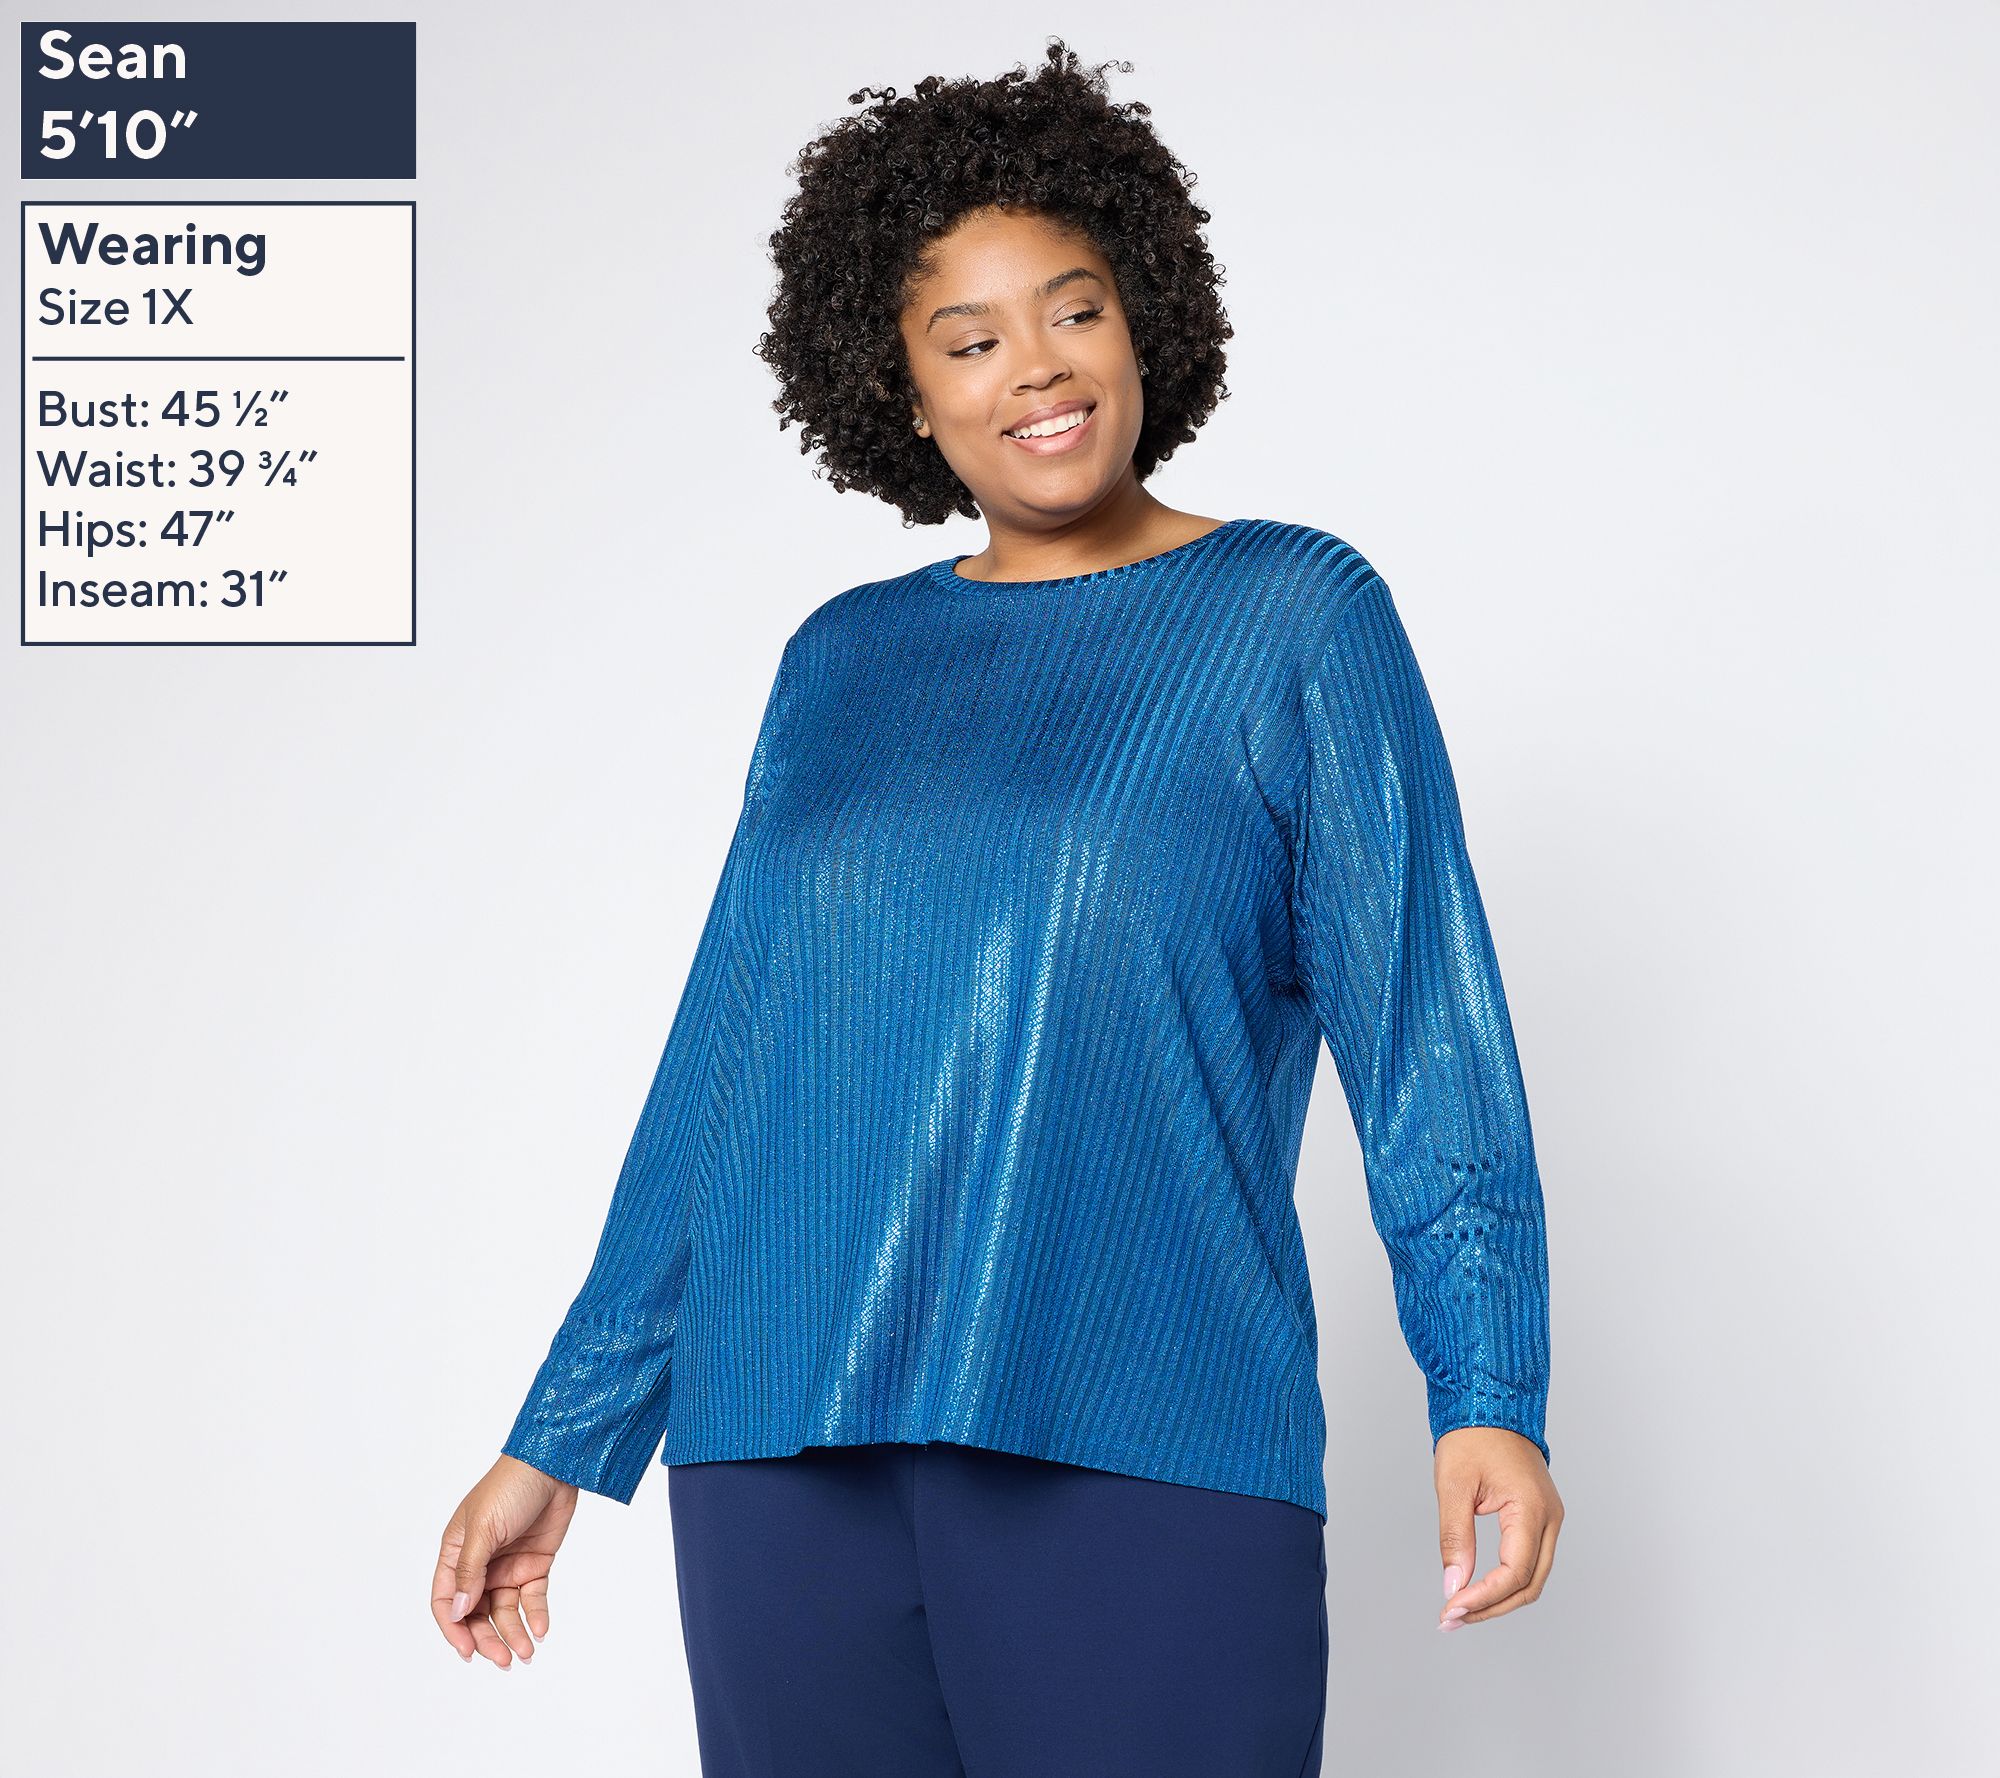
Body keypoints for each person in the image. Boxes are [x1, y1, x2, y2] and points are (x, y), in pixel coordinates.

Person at [432, 39, 1562, 1776]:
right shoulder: (840, 660)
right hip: (779, 1450)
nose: (1035, 367)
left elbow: (1425, 1030)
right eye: (969, 340)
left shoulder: (1295, 615)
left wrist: (1487, 1387)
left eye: (1073, 310)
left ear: (1144, 319)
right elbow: (727, 1067)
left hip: (1141, 1434)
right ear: (902, 392)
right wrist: (564, 1432)